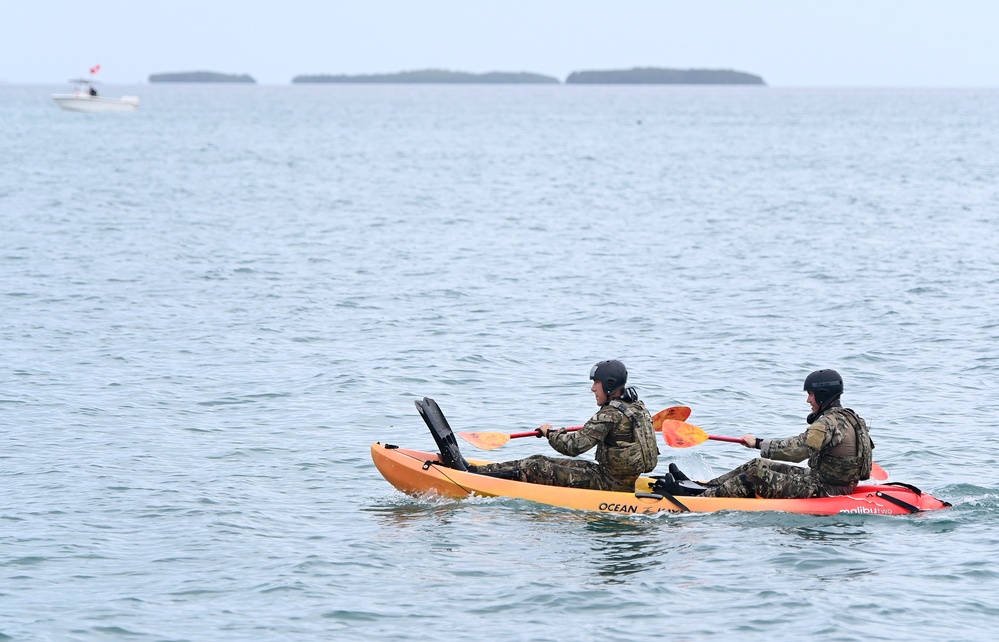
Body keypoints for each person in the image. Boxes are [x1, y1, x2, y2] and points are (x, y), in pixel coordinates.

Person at [420, 360, 660, 492]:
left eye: (596, 383)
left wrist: (550, 433)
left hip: (609, 484)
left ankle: (471, 476)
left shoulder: (609, 415)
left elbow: (573, 447)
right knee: (537, 459)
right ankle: (477, 469)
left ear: (608, 385)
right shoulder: (636, 407)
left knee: (537, 466)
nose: (592, 388)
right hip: (618, 478)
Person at [664, 369, 874, 498]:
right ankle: (701, 486)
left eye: (810, 394)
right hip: (825, 480)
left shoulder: (828, 423)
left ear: (822, 395)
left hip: (826, 489)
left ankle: (698, 499)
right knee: (756, 464)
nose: (808, 400)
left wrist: (758, 443)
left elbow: (798, 450)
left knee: (755, 476)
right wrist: (760, 446)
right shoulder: (850, 418)